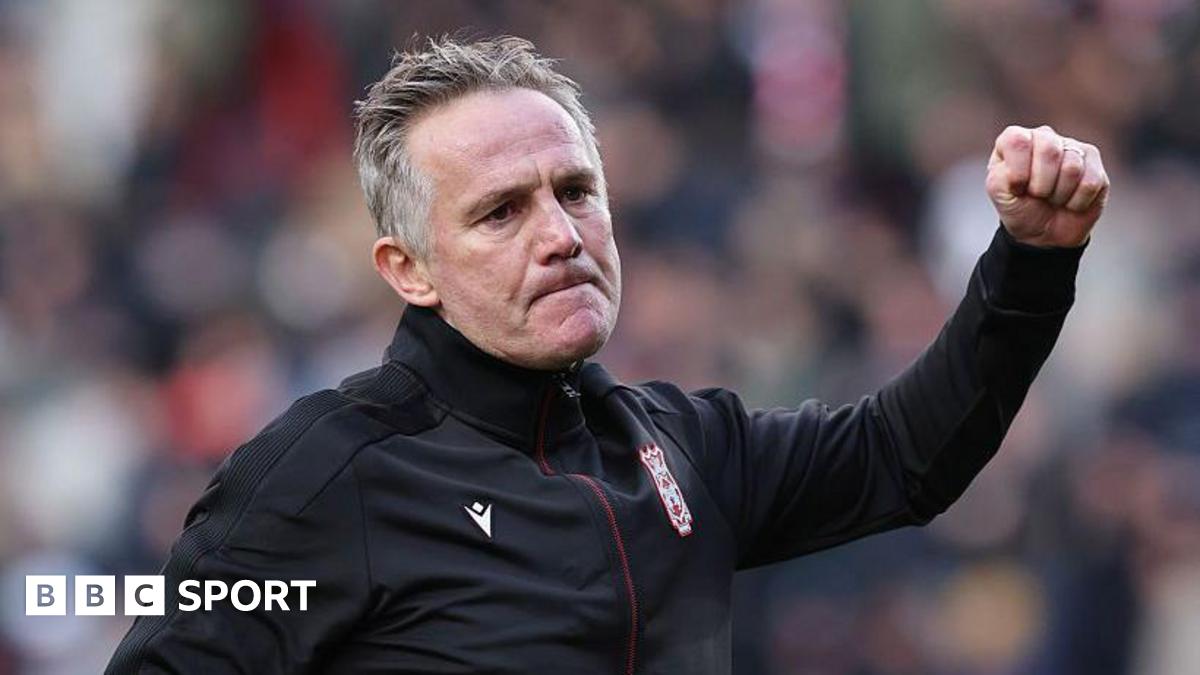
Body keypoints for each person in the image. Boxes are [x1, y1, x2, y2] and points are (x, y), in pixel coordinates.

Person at [106, 36, 1108, 674]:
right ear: (408, 269)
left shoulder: (682, 446)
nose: (560, 234)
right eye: (501, 211)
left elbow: (905, 456)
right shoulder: (325, 474)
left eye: (575, 191)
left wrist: (1031, 260)